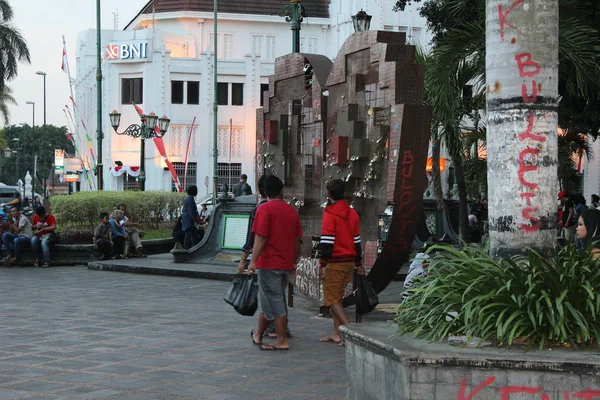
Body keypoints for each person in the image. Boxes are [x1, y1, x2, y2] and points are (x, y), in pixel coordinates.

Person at [248, 175, 302, 351]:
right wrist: (293, 261)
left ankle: (281, 339)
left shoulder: (264, 210)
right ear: (281, 191)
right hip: (285, 262)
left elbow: (261, 238)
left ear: (264, 192)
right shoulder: (291, 211)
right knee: (269, 299)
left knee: (275, 299)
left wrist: (252, 260)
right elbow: (296, 240)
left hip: (268, 262)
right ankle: (258, 334)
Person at [318, 179, 364, 347]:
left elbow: (327, 242)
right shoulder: (352, 213)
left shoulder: (330, 214)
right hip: (349, 262)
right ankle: (336, 334)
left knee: (331, 300)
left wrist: (322, 264)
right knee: (337, 296)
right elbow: (357, 241)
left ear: (329, 194)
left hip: (335, 261)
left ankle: (349, 330)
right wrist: (359, 263)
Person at [182, 185, 201, 249]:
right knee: (189, 234)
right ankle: (186, 249)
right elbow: (191, 211)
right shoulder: (190, 199)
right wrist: (194, 220)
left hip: (186, 218)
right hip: (188, 219)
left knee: (193, 234)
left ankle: (195, 246)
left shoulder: (188, 198)